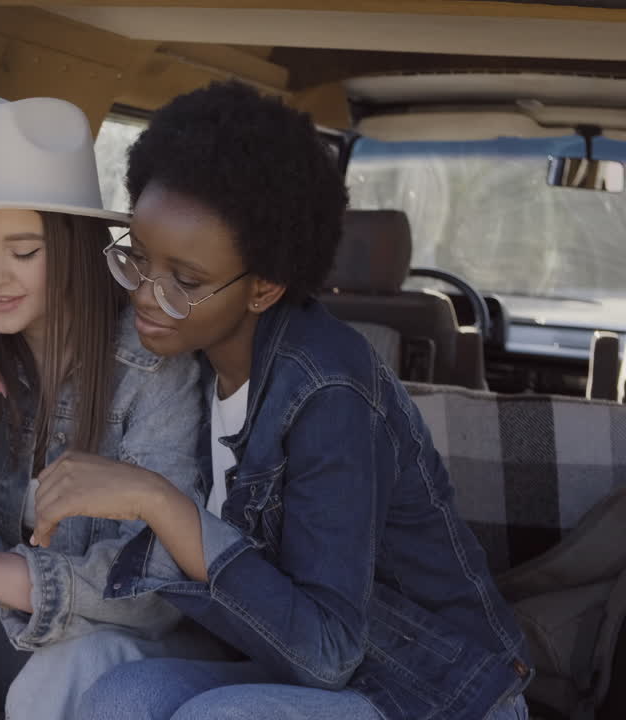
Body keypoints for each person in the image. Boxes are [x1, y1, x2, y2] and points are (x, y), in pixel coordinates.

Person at [30, 81, 531, 720]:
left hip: (439, 692)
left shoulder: (330, 391)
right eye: (137, 259)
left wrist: (157, 502)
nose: (146, 296)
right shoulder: (188, 346)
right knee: (117, 697)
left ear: (263, 288)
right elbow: (39, 313)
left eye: (184, 280)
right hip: (284, 669)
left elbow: (328, 653)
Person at [0, 96, 209, 720]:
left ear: (75, 245)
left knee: (69, 664)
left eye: (23, 251)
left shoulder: (155, 369)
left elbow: (156, 592)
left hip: (111, 646)